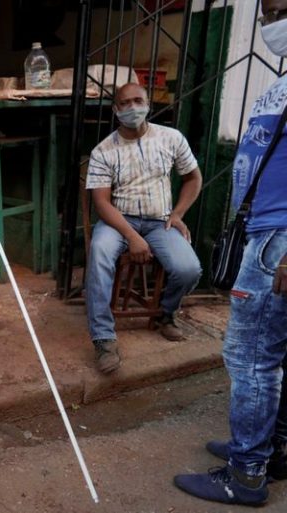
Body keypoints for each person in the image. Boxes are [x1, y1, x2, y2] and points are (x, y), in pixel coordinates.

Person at [174, 0, 287, 505]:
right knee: (274, 352)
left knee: (251, 357)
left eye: (280, 11)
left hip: (278, 241)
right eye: (265, 14)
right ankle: (269, 448)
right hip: (266, 235)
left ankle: (245, 473)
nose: (269, 23)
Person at [85, 82, 203, 374]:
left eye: (139, 101)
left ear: (149, 104)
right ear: (115, 110)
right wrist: (131, 236)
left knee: (189, 269)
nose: (133, 108)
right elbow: (101, 203)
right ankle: (103, 339)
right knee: (99, 253)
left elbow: (193, 178)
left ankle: (165, 313)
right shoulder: (103, 150)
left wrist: (178, 213)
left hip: (160, 221)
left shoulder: (171, 138)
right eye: (125, 103)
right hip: (118, 221)